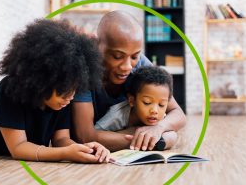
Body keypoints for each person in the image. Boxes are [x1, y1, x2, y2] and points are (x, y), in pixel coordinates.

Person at [0, 19, 110, 163]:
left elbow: (61, 139)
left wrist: (84, 150)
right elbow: (18, 148)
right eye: (64, 90)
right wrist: (65, 154)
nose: (70, 97)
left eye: (74, 89)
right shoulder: (9, 90)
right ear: (43, 79)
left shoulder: (62, 100)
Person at [71, 11, 186, 151]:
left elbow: (178, 113)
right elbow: (84, 136)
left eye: (134, 56)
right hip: (97, 134)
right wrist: (144, 138)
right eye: (117, 56)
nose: (127, 66)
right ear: (97, 45)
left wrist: (158, 128)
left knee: (170, 135)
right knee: (170, 137)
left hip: (113, 136)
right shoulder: (83, 69)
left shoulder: (141, 63)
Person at [95, 66, 178, 150]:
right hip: (118, 143)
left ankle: (151, 143)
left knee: (173, 135)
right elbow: (94, 134)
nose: (154, 111)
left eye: (161, 105)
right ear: (132, 101)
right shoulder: (116, 115)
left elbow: (172, 134)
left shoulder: (161, 118)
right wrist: (129, 132)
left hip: (143, 143)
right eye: (147, 102)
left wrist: (158, 129)